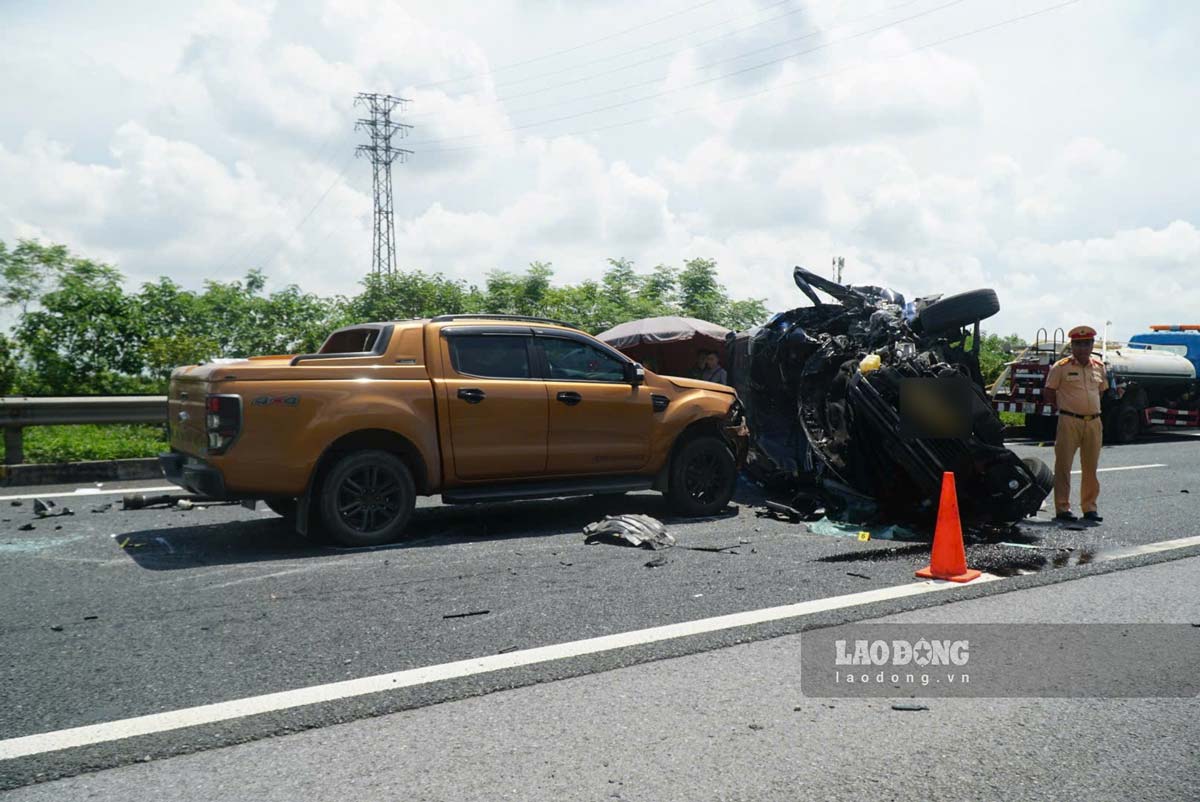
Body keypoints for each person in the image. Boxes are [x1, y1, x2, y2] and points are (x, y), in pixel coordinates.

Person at [1043, 325, 1123, 523]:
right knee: (1063, 466)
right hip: (1069, 420)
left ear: (1091, 345)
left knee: (1090, 467)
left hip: (1094, 422)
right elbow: (1049, 392)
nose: (1082, 348)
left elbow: (1102, 391)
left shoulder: (1099, 366)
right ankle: (1062, 509)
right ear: (1072, 345)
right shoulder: (1061, 367)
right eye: (1078, 344)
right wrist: (1065, 406)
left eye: (1086, 344)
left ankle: (1090, 508)